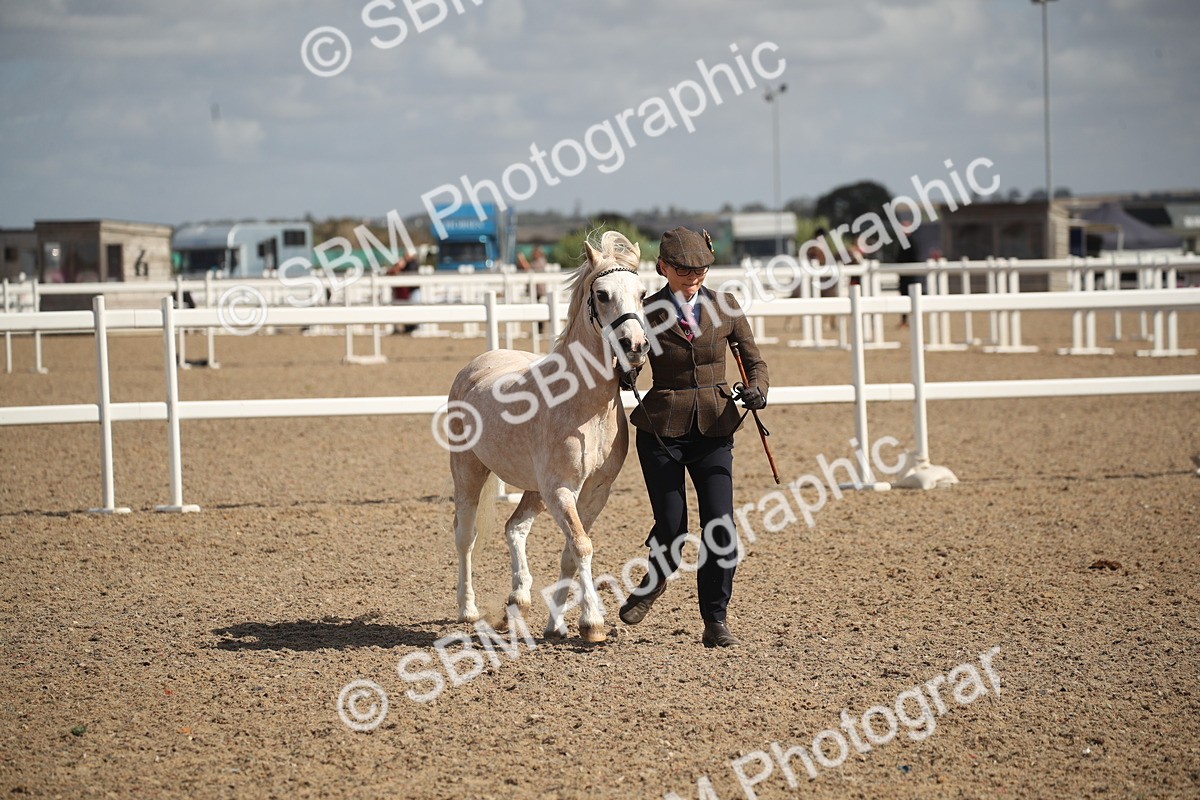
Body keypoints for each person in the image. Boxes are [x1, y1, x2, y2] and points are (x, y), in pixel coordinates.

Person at [619, 226, 769, 648]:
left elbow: (755, 362)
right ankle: (655, 579)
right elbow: (627, 364)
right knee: (672, 526)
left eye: (701, 268)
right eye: (683, 269)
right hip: (661, 430)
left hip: (715, 428)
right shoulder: (645, 313)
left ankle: (715, 619)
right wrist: (627, 371)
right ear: (662, 267)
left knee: (721, 527)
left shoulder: (727, 307)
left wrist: (758, 391)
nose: (694, 276)